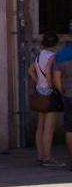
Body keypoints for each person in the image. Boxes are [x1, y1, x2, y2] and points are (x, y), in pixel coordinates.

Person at [29, 33, 61, 166]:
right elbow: (49, 72)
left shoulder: (39, 55)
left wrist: (38, 83)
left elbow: (30, 70)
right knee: (49, 127)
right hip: (49, 94)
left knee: (40, 126)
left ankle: (40, 155)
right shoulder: (52, 56)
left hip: (39, 93)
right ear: (55, 45)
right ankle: (48, 157)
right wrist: (51, 85)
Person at [53, 39, 72, 172]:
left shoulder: (60, 55)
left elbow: (57, 79)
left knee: (70, 129)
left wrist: (62, 91)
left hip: (69, 96)